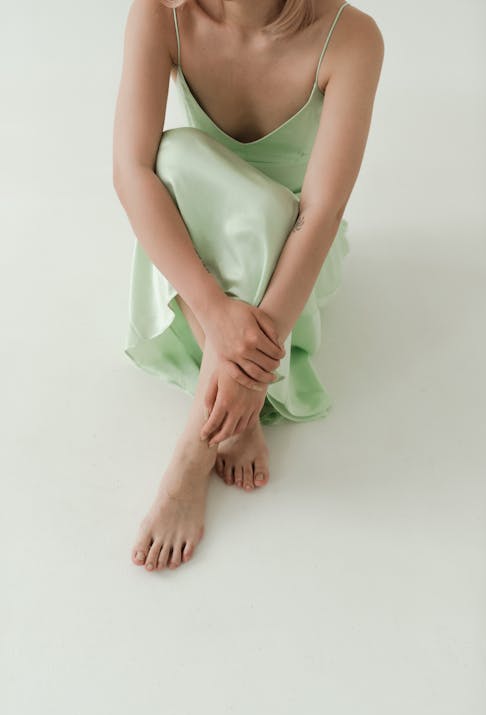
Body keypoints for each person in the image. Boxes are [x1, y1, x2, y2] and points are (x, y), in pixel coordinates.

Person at [112, 0, 384, 572]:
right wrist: (217, 312)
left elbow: (320, 211)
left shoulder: (351, 36)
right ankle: (229, 420)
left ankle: (193, 451)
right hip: (197, 253)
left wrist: (254, 364)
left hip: (291, 261)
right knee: (173, 158)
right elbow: (131, 171)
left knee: (266, 212)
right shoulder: (161, 14)